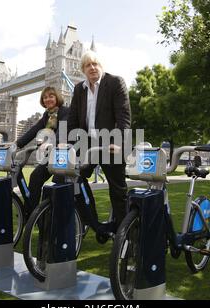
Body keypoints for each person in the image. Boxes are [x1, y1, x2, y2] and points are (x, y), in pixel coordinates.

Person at [67, 50, 131, 235]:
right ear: (83, 70)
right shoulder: (79, 89)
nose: (92, 68)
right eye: (88, 65)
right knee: (74, 180)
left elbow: (124, 116)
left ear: (101, 66)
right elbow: (72, 120)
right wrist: (67, 142)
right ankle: (94, 223)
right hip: (88, 145)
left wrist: (118, 140)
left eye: (95, 64)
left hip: (111, 144)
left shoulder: (115, 82)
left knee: (118, 191)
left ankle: (124, 234)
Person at [16, 86, 68, 214]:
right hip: (52, 154)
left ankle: (57, 217)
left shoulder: (66, 111)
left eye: (51, 96)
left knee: (58, 182)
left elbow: (62, 130)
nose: (47, 99)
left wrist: (52, 143)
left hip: (65, 155)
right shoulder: (47, 116)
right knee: (35, 177)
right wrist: (17, 144)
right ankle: (32, 214)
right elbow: (34, 130)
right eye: (45, 97)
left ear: (57, 97)